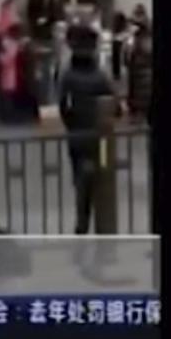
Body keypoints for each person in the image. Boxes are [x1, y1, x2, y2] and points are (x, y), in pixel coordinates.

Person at [58, 30, 114, 234]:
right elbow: (113, 104)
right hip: (102, 138)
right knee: (104, 178)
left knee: (81, 180)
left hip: (78, 136)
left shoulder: (68, 75)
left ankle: (82, 223)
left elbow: (63, 106)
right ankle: (105, 225)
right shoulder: (100, 76)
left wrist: (71, 126)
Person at [126, 20, 152, 125]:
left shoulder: (138, 42)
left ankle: (139, 115)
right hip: (141, 77)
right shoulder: (144, 41)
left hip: (140, 77)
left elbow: (128, 60)